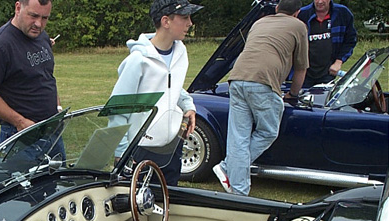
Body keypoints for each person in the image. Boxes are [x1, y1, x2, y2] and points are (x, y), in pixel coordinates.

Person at [212, 0, 308, 196]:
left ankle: (237, 186)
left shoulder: (260, 22)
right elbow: (301, 68)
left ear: (276, 9)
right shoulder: (299, 26)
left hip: (237, 78)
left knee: (238, 138)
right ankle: (229, 170)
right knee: (268, 132)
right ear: (297, 12)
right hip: (263, 81)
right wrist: (293, 95)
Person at [109, 0, 202, 186]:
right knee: (137, 210)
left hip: (172, 147)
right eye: (184, 17)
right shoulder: (138, 60)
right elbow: (118, 109)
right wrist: (121, 154)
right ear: (166, 21)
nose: (190, 23)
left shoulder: (180, 53)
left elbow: (171, 85)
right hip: (140, 150)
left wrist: (188, 106)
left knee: (169, 205)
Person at [0, 0, 60, 144]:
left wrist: (57, 107)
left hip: (53, 129)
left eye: (44, 18)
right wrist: (20, 122)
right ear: (18, 8)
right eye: (33, 16)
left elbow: (46, 76)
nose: (38, 24)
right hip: (22, 136)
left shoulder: (42, 36)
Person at [298, 0, 356, 87]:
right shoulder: (302, 14)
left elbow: (350, 41)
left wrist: (338, 62)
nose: (320, 2)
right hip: (303, 72)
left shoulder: (342, 13)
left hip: (328, 72)